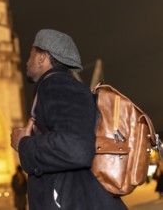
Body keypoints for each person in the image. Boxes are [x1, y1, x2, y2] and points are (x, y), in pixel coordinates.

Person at [10, 29, 127, 209]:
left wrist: (24, 144)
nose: (26, 61)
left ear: (42, 57)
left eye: (30, 54)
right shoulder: (58, 86)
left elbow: (76, 147)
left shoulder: (56, 85)